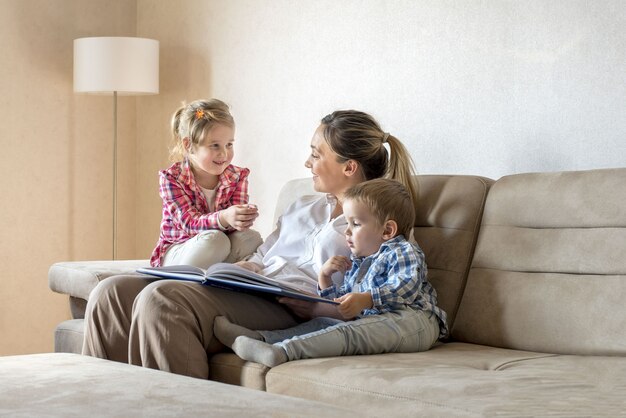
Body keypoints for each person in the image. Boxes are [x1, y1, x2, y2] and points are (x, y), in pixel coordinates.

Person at [82, 109, 420, 379]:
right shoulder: (303, 204)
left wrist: (322, 305)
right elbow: (265, 250)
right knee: (110, 292)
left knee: (162, 299)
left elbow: (381, 293)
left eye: (316, 155)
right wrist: (249, 266)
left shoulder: (378, 224)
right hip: (252, 286)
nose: (307, 163)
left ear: (349, 167)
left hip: (290, 307)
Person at [213, 178, 448, 367]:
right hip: (372, 320)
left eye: (355, 224)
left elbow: (405, 287)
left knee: (349, 334)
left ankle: (282, 352)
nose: (347, 232)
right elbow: (341, 306)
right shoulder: (360, 261)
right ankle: (260, 338)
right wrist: (324, 279)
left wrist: (367, 299)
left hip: (415, 321)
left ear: (387, 230)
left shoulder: (402, 250)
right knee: (325, 322)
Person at [150, 98, 261, 269]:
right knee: (216, 240)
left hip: (217, 246)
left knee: (250, 238)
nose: (224, 153)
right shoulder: (172, 178)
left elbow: (233, 229)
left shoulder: (238, 176)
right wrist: (224, 217)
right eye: (215, 145)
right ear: (189, 145)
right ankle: (191, 278)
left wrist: (240, 218)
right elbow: (189, 223)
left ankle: (219, 276)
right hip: (180, 249)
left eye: (229, 144)